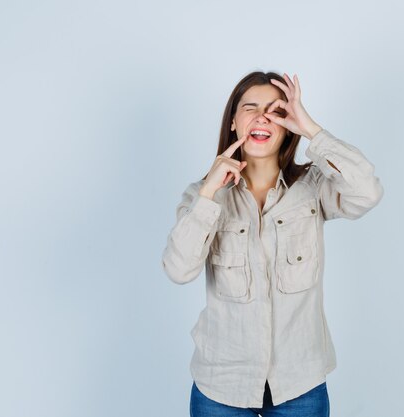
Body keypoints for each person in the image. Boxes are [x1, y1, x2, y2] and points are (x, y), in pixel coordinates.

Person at [161, 71, 384, 416]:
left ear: (287, 127)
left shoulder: (314, 187)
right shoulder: (202, 197)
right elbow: (178, 269)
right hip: (221, 386)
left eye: (276, 111)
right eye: (250, 108)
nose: (262, 117)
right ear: (233, 121)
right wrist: (209, 193)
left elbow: (367, 191)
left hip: (300, 383)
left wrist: (310, 128)